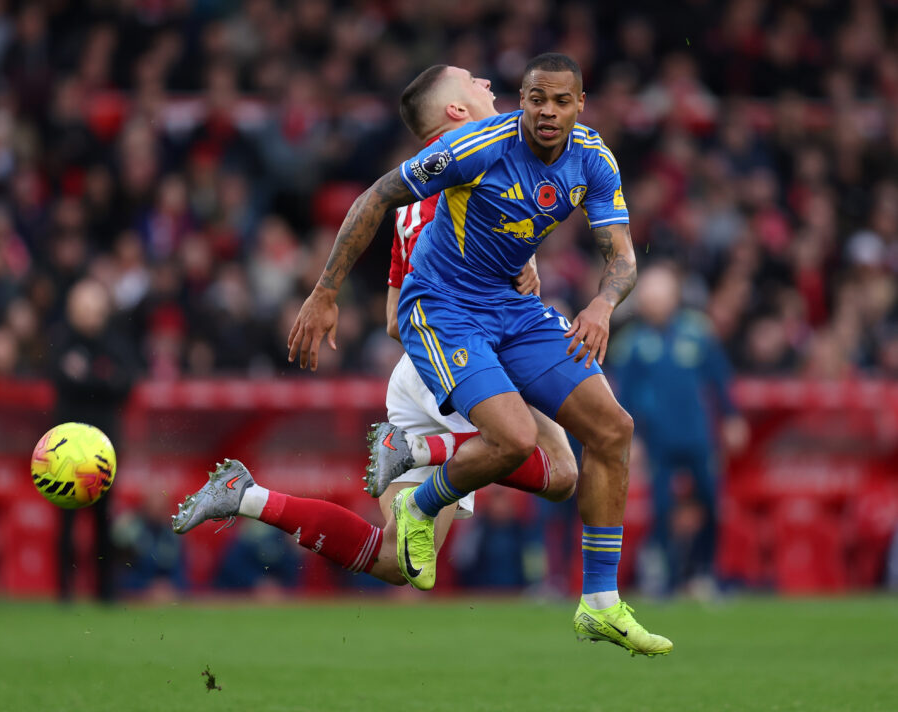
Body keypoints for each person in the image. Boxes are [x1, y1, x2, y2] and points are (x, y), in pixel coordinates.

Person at [288, 53, 671, 656]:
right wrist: (325, 291)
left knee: (613, 429)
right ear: (523, 99)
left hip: (509, 311)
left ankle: (599, 603)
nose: (547, 111)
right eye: (535, 98)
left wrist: (601, 306)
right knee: (517, 441)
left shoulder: (594, 159)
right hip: (442, 308)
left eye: (560, 101)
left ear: (579, 105)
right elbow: (376, 196)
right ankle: (419, 497)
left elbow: (621, 255)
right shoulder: (476, 146)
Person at [170, 65, 576, 588]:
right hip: (462, 362)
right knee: (562, 473)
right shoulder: (466, 176)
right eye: (475, 82)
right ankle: (415, 450)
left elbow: (393, 320)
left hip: (419, 369)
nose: (488, 87)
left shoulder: (416, 196)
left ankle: (245, 496)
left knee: (395, 560)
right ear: (457, 110)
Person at [609, 262, 747, 596]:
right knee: (661, 508)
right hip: (657, 440)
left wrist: (732, 418)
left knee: (712, 502)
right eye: (648, 296)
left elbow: (719, 379)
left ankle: (704, 573)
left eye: (660, 294)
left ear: (673, 297)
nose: (653, 302)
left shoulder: (698, 332)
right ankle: (667, 580)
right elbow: (620, 397)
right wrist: (632, 440)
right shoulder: (631, 343)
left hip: (698, 436)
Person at [50, 279, 137, 603]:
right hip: (66, 448)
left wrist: (88, 378)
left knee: (103, 520)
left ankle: (106, 592)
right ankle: (65, 593)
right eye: (82, 308)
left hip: (103, 448)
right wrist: (101, 380)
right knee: (67, 521)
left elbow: (125, 384)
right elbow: (63, 379)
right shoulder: (61, 340)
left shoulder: (115, 344)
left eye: (93, 309)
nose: (88, 316)